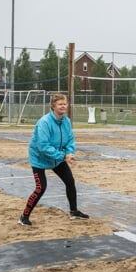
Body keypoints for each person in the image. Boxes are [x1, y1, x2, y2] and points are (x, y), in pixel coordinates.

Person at [19, 93, 89, 226]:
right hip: (39, 158)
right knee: (41, 188)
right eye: (60, 104)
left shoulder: (66, 121)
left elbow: (70, 140)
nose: (63, 106)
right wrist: (63, 156)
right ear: (53, 106)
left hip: (57, 158)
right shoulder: (44, 122)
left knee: (70, 181)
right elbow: (43, 146)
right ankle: (24, 217)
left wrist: (69, 153)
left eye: (65, 103)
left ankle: (74, 212)